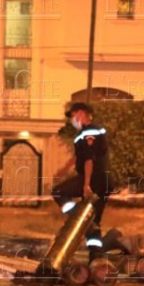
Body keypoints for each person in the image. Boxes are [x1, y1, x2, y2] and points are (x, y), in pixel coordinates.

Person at [51, 102, 113, 260]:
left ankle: (76, 215)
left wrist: (86, 184)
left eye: (73, 115)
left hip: (95, 179)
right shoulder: (90, 132)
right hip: (104, 180)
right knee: (94, 222)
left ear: (81, 113)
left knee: (58, 192)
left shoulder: (89, 131)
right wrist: (64, 170)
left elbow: (88, 159)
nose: (72, 119)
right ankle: (96, 258)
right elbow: (79, 157)